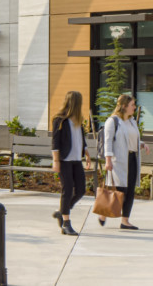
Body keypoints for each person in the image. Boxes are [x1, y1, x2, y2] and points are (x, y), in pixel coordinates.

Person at [99, 93, 140, 230]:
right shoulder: (113, 121)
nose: (134, 107)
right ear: (124, 106)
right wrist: (108, 160)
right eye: (132, 105)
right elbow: (108, 141)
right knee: (120, 189)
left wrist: (142, 144)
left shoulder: (132, 121)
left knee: (130, 190)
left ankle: (125, 221)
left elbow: (132, 138)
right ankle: (103, 212)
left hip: (132, 158)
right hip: (119, 160)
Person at [50, 90, 88, 236]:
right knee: (67, 190)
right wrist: (56, 161)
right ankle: (66, 223)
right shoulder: (60, 120)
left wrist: (86, 152)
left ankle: (62, 211)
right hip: (64, 160)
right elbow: (55, 142)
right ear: (75, 103)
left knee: (81, 190)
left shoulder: (78, 120)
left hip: (76, 160)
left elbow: (81, 139)